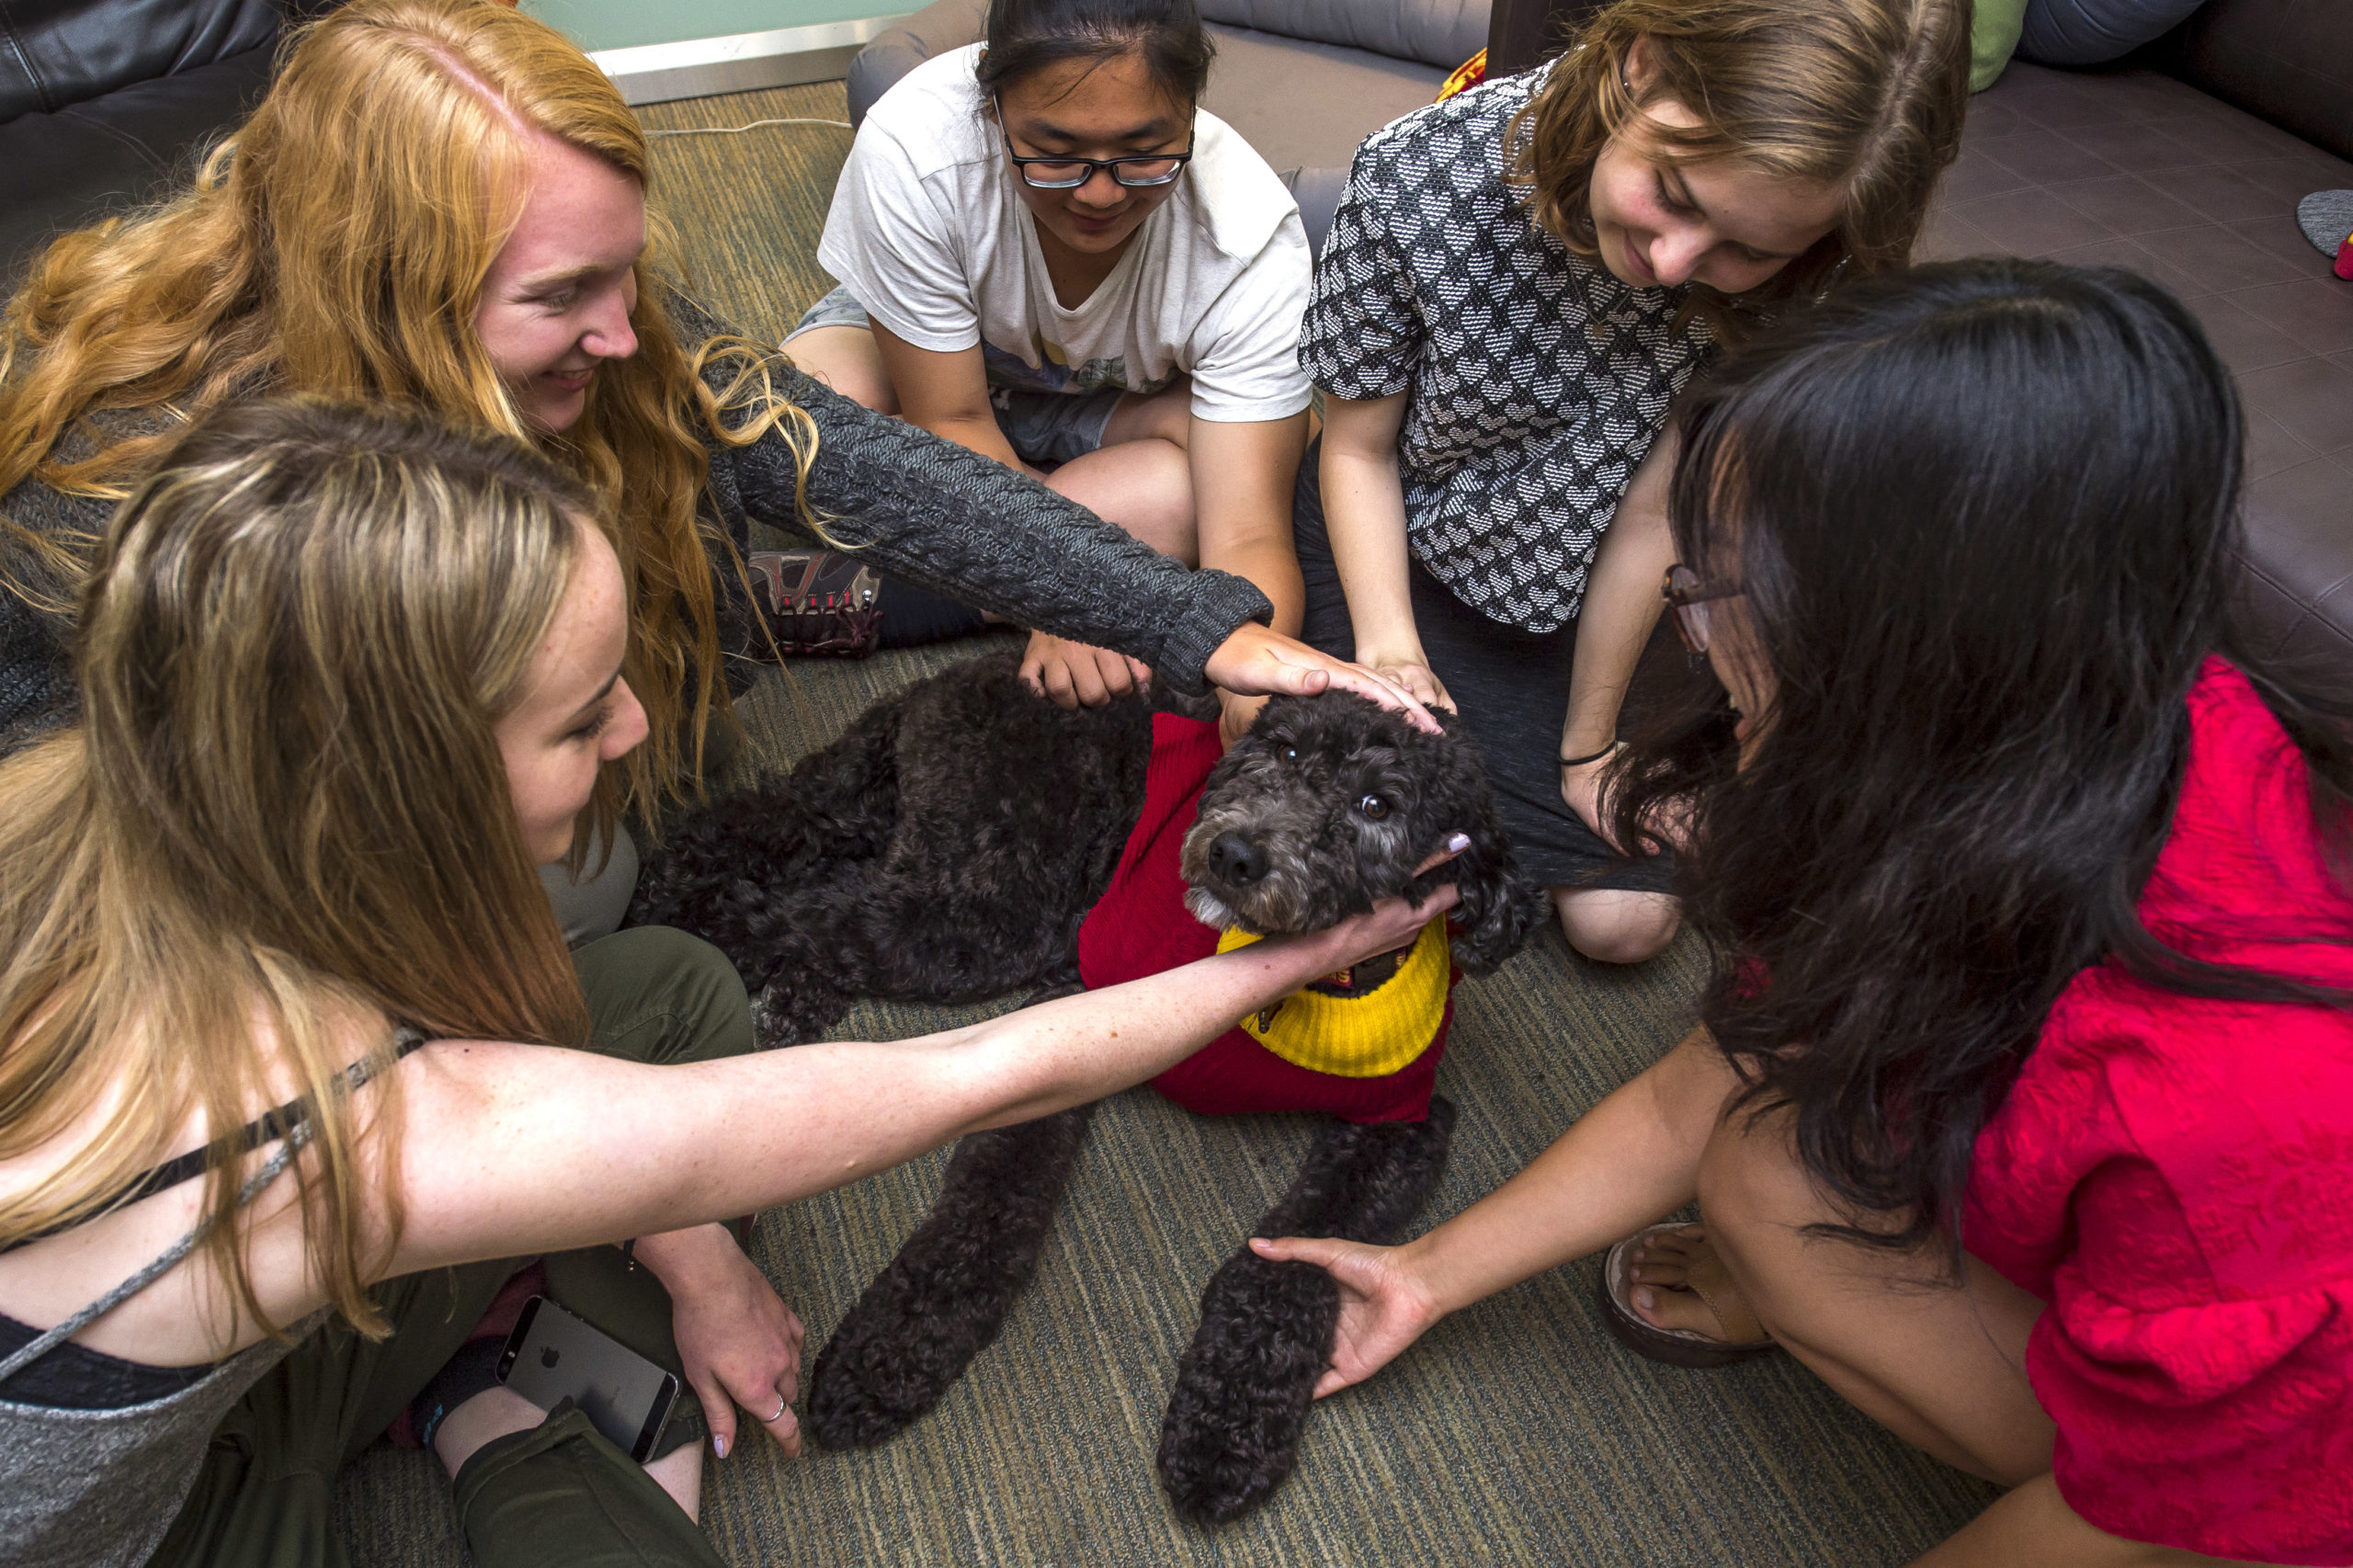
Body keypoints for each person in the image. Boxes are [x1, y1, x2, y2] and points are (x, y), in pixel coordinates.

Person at [0, 397, 1460, 1568]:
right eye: (583, 721)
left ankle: (487, 1376)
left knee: (675, 986)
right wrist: (1309, 952)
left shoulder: (98, 798)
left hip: (251, 1313)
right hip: (173, 1510)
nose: (643, 727)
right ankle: (511, 1414)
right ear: (395, 783)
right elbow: (967, 1076)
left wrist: (696, 1259)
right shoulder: (350, 1123)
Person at [1253, 260, 2353, 1565]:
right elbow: (1712, 1079)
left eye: (1720, 591)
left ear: (1907, 646)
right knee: (1759, 1165)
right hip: (2071, 1196)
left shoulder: (2231, 1092)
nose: (1699, 638)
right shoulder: (2023, 743)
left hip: (2278, 1465)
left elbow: (2159, 1522)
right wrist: (1426, 1271)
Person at [0, 0, 1427, 940]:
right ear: (395, 291)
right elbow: (89, 849)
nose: (629, 337)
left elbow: (865, 464)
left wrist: (1200, 627)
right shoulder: (127, 490)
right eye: (565, 299)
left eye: (627, 278)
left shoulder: (598, 331)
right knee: (606, 896)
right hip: (245, 864)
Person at [1297, 0, 1968, 962]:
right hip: (1397, 541)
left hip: (1594, 579)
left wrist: (1588, 746)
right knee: (1366, 856)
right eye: (1675, 192)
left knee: (1623, 924)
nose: (1673, 264)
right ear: (1639, 66)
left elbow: (1656, 511)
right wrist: (1392, 649)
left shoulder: (1806, 268)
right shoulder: (1414, 172)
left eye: (1745, 250)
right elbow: (1355, 451)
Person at [789, 0, 1313, 712]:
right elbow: (953, 419)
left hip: (1118, 406)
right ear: (993, 106)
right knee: (796, 429)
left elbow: (1249, 535)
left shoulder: (1248, 242)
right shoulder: (915, 147)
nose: (1099, 193)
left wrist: (1253, 706)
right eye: (1056, 154)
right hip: (939, 382)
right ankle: (1093, 541)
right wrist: (1076, 594)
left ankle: (888, 594)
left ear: (1191, 112)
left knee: (1216, 488)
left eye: (1142, 151)